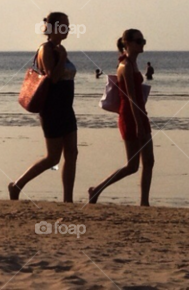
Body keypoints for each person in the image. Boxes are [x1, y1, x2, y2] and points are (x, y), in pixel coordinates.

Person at [9, 12, 78, 203]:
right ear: (55, 28)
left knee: (72, 153)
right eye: (65, 25)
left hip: (66, 108)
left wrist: (63, 55)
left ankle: (68, 199)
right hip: (52, 109)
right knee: (53, 158)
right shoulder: (46, 49)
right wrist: (62, 58)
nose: (68, 28)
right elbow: (53, 78)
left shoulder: (59, 48)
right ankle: (17, 185)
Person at [88, 29, 154, 206]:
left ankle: (144, 202)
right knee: (132, 166)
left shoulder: (133, 64)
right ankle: (97, 189)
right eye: (139, 41)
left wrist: (142, 119)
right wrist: (139, 124)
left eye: (143, 41)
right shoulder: (125, 66)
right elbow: (131, 96)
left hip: (140, 114)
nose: (142, 44)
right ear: (127, 43)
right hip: (131, 116)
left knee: (149, 161)